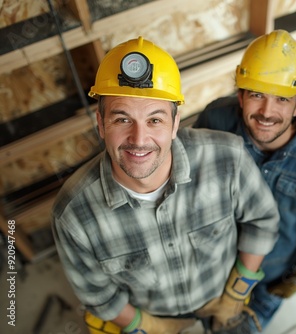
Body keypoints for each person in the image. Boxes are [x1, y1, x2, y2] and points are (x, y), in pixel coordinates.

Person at [51, 36, 280, 334]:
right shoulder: (73, 214)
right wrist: (149, 326)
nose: (139, 139)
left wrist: (237, 293)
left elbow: (262, 222)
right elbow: (98, 294)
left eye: (155, 120)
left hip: (223, 300)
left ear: (175, 124)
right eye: (122, 119)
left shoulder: (228, 157)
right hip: (149, 317)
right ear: (100, 124)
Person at [193, 29, 296, 332]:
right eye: (257, 95)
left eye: (281, 99)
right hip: (213, 266)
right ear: (240, 95)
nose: (266, 112)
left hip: (270, 278)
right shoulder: (216, 121)